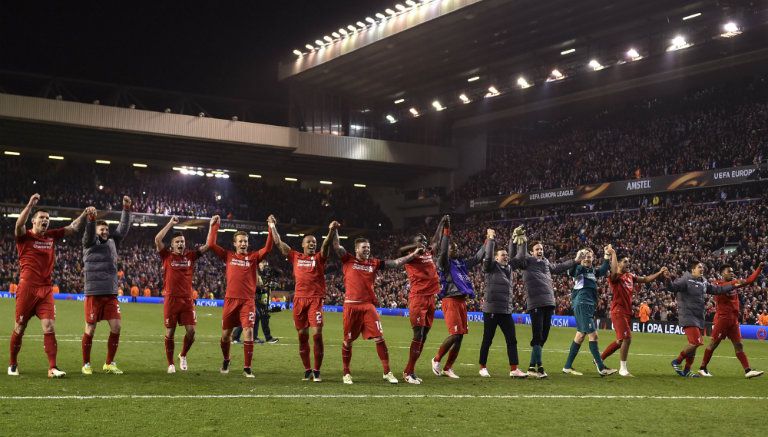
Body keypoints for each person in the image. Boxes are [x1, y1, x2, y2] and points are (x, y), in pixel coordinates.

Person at [328, 220, 422, 385]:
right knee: (348, 340)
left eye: (368, 247)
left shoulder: (374, 263)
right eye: (364, 247)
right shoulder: (348, 260)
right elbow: (336, 246)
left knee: (379, 337)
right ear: (356, 249)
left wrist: (412, 256)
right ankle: (346, 373)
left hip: (368, 306)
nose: (367, 249)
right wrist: (334, 229)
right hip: (351, 305)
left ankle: (387, 372)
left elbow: (395, 263)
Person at [8, 193, 89, 378]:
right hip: (27, 289)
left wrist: (84, 214)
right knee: (20, 327)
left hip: (45, 290)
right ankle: (12, 363)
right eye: (41, 218)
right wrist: (29, 205)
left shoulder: (52, 236)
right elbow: (18, 225)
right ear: (34, 221)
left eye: (47, 218)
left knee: (49, 327)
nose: (45, 221)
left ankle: (52, 367)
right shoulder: (24, 237)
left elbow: (73, 228)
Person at [208, 215, 276, 378]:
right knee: (226, 335)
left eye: (245, 241)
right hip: (231, 300)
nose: (243, 243)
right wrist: (214, 226)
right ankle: (226, 359)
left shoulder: (253, 258)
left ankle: (247, 367)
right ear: (235, 243)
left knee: (249, 332)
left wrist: (270, 227)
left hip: (247, 301)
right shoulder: (228, 255)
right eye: (240, 241)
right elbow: (211, 244)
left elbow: (267, 248)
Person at [154, 215, 216, 373]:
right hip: (171, 300)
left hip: (187, 300)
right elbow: (157, 239)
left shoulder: (190, 256)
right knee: (170, 332)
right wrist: (170, 223)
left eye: (182, 241)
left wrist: (212, 225)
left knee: (192, 331)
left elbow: (208, 245)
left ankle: (183, 355)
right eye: (177, 242)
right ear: (173, 245)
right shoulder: (167, 256)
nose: (180, 244)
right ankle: (170, 364)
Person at [514, 229, 578, 378]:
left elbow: (559, 267)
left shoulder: (546, 263)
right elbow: (520, 256)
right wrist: (522, 242)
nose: (540, 251)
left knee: (543, 336)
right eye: (537, 249)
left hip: (549, 302)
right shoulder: (527, 262)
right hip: (536, 303)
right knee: (537, 335)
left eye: (541, 249)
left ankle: (531, 367)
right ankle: (540, 367)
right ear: (531, 251)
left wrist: (575, 261)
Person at [80, 195, 132, 376]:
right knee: (90, 329)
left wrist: (126, 209)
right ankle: (86, 364)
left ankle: (109, 363)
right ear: (95, 231)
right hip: (93, 292)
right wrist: (91, 220)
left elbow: (123, 229)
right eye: (101, 229)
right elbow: (88, 233)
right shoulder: (88, 242)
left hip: (110, 293)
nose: (105, 232)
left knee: (116, 327)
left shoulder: (112, 241)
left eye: (106, 229)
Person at [665, 260, 742, 377]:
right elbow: (672, 287)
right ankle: (677, 361)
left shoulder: (703, 281)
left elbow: (717, 290)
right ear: (693, 270)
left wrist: (732, 285)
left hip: (699, 317)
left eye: (703, 267)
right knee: (696, 342)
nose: (702, 269)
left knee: (693, 346)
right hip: (688, 315)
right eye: (699, 267)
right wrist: (667, 279)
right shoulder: (685, 280)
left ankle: (687, 370)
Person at [274, 225, 332, 382]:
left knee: (317, 335)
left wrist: (331, 231)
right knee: (302, 337)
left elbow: (326, 245)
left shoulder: (319, 258)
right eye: (309, 242)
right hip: (299, 300)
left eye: (314, 242)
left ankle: (317, 371)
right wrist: (272, 225)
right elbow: (278, 243)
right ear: (303, 244)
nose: (312, 244)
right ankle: (307, 370)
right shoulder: (295, 256)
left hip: (315, 300)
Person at [431, 216, 483, 379]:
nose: (455, 250)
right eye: (452, 248)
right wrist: (446, 232)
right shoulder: (444, 263)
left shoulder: (460, 264)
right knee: (455, 334)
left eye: (456, 248)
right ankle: (436, 359)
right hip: (450, 300)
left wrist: (488, 242)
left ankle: (448, 367)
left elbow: (477, 258)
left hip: (461, 301)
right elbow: (444, 249)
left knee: (460, 336)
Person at [397, 216, 446, 384]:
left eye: (424, 240)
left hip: (430, 298)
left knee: (424, 335)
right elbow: (400, 251)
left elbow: (436, 240)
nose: (424, 243)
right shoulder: (411, 256)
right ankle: (407, 372)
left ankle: (411, 370)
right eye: (420, 241)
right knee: (418, 333)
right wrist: (415, 247)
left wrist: (441, 224)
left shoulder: (428, 252)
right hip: (418, 298)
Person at [600, 252, 667, 377]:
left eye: (628, 261)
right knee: (627, 338)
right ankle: (623, 369)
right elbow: (613, 270)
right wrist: (614, 253)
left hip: (626, 312)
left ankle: (599, 359)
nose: (628, 264)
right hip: (618, 311)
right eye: (625, 261)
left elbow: (646, 279)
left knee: (620, 341)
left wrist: (659, 272)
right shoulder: (615, 277)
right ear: (618, 263)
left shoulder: (630, 276)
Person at [698, 262, 764, 378]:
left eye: (733, 271)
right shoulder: (717, 285)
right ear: (723, 273)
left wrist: (759, 268)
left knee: (739, 345)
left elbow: (749, 280)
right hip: (722, 319)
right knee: (713, 344)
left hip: (733, 320)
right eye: (729, 271)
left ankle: (747, 370)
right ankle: (702, 368)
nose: (732, 273)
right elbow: (707, 288)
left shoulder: (734, 283)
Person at [478, 228, 527, 378]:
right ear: (496, 258)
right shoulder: (490, 266)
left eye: (506, 254)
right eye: (502, 255)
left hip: (505, 311)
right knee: (488, 339)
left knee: (512, 340)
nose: (506, 256)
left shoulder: (509, 267)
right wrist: (491, 239)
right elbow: (487, 257)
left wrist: (522, 242)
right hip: (492, 309)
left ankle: (514, 369)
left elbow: (520, 257)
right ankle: (482, 366)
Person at [562, 246, 617, 377]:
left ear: (593, 258)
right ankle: (601, 368)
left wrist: (606, 256)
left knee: (580, 336)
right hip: (583, 303)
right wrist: (576, 259)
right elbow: (572, 272)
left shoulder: (592, 270)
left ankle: (567, 367)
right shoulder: (579, 269)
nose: (587, 257)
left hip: (588, 305)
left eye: (590, 255)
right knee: (593, 335)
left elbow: (603, 270)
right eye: (585, 255)